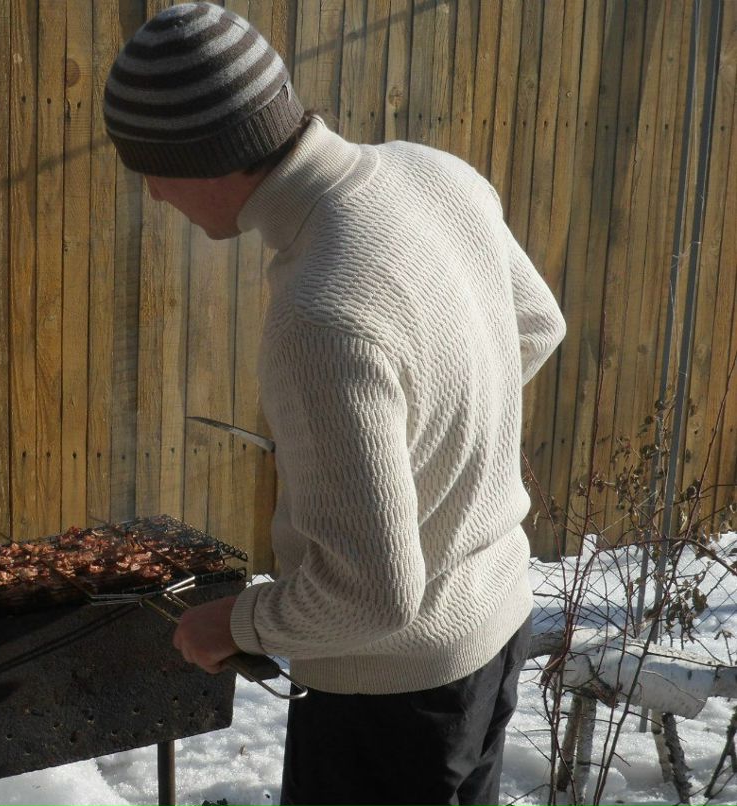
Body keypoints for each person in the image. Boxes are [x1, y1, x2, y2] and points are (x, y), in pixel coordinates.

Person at [103, 4, 567, 805]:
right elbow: (533, 326)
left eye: (152, 170)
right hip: (493, 632)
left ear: (206, 159)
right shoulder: (436, 173)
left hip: (393, 699)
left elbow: (371, 595)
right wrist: (426, 446)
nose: (152, 193)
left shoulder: (319, 315)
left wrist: (233, 624)